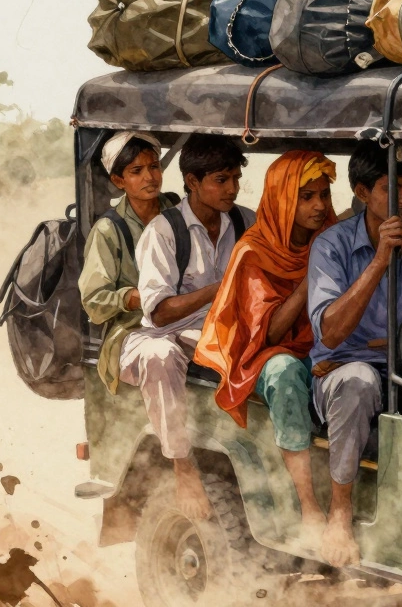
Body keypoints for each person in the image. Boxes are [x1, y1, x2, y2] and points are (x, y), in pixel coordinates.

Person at [307, 140, 402, 566]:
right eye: (393, 189)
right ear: (362, 192)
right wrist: (379, 261)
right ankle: (340, 512)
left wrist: (396, 344)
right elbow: (332, 333)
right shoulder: (331, 246)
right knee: (357, 380)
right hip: (347, 370)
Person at [194, 151, 337, 552]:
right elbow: (269, 331)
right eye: (306, 196)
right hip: (266, 352)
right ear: (281, 199)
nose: (319, 206)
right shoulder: (253, 251)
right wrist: (314, 275)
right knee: (284, 373)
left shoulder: (332, 235)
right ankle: (308, 505)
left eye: (323, 195)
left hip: (325, 346)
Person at [119, 135, 255, 520]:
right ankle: (182, 467)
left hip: (222, 330)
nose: (231, 189)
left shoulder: (246, 221)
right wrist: (222, 286)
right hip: (164, 334)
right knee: (159, 356)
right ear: (192, 182)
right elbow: (159, 313)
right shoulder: (163, 232)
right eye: (220, 180)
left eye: (235, 179)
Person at [80, 132, 177, 394]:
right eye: (137, 171)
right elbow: (93, 302)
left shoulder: (179, 210)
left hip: (186, 317)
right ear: (118, 180)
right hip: (133, 331)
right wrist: (136, 297)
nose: (150, 177)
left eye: (154, 166)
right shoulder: (108, 230)